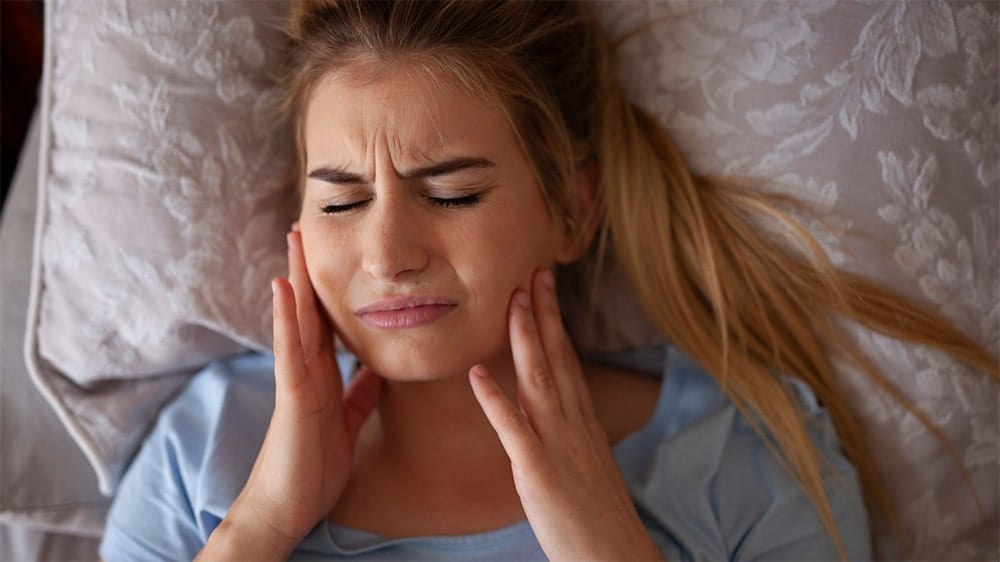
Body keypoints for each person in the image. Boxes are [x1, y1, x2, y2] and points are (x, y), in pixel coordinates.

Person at [98, 1, 998, 561]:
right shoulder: (200, 457)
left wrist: (608, 547)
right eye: (340, 203)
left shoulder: (745, 459)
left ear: (573, 211)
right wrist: (260, 528)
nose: (386, 253)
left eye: (451, 193)